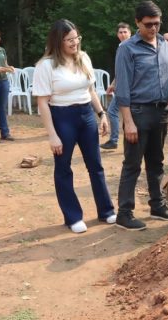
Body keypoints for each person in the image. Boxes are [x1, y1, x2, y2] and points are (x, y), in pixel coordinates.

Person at [31, 19, 116, 233]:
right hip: (62, 117)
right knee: (63, 168)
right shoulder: (46, 65)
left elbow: (91, 90)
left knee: (95, 165)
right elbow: (42, 102)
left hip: (86, 114)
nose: (74, 43)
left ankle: (106, 211)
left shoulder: (83, 58)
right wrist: (52, 135)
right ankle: (73, 216)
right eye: (69, 40)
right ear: (58, 41)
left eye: (77, 38)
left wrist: (102, 114)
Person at [114, 1, 168, 230]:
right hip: (138, 113)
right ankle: (124, 212)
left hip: (161, 112)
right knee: (132, 164)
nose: (153, 29)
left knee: (156, 163)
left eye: (157, 24)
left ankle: (157, 205)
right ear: (137, 23)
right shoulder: (127, 49)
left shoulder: (163, 43)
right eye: (148, 24)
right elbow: (122, 89)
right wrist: (128, 121)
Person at [100, 22, 132, 150]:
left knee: (112, 111)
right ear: (117, 34)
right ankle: (119, 140)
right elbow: (120, 70)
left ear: (130, 33)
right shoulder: (122, 46)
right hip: (122, 87)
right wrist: (113, 84)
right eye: (120, 32)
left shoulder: (129, 47)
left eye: (125, 32)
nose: (123, 34)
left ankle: (114, 140)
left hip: (127, 88)